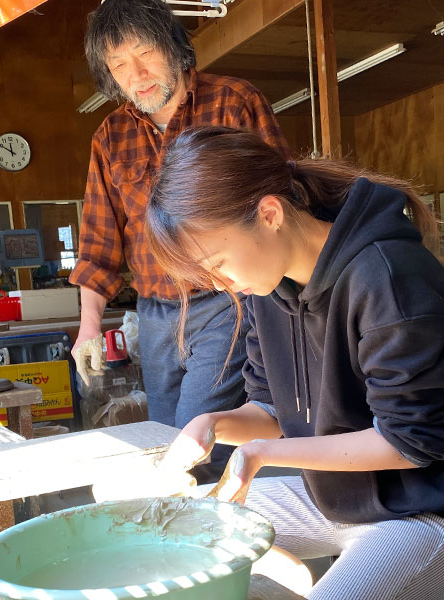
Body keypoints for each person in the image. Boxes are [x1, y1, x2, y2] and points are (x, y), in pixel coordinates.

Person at [148, 126, 444, 600]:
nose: (217, 284)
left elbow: (412, 441)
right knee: (168, 531)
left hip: (431, 511)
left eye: (217, 262)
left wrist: (261, 454)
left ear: (270, 214)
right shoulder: (268, 288)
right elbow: (270, 409)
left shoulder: (388, 280)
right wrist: (211, 423)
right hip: (335, 498)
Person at [69, 0, 289, 479]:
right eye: (119, 65)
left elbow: (283, 202)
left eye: (145, 54)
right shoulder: (111, 136)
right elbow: (98, 242)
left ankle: (212, 541)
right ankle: (189, 527)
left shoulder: (235, 103)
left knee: (196, 441)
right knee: (163, 437)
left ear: (173, 46)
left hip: (224, 299)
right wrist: (89, 326)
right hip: (154, 314)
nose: (137, 74)